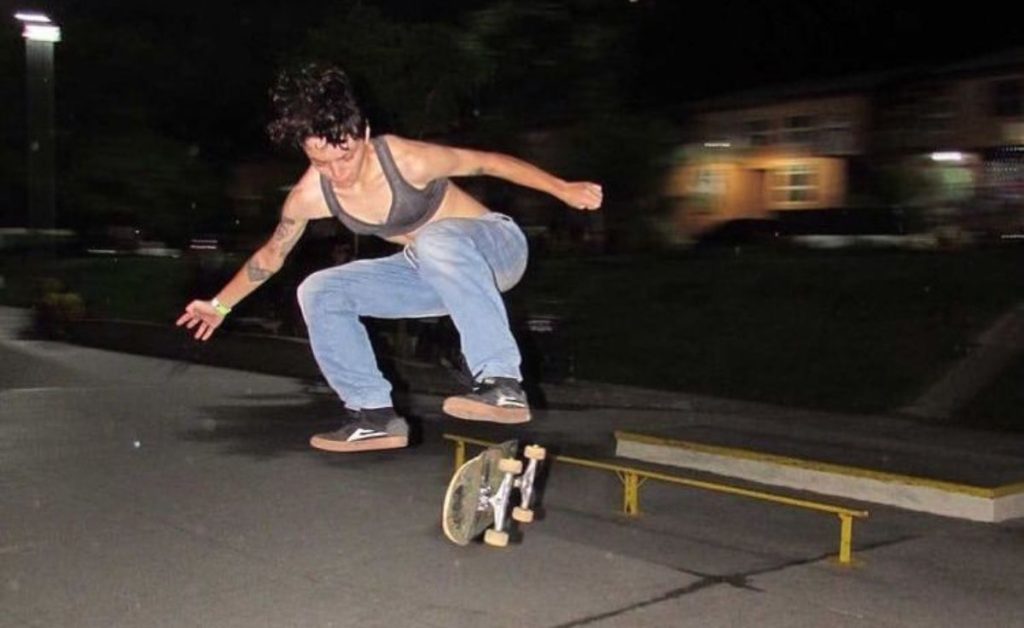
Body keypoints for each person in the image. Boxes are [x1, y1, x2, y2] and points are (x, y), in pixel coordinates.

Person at [176, 63, 603, 453]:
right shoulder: (309, 196)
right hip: (429, 272)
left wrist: (562, 189)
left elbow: (487, 163)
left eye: (345, 157)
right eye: (321, 162)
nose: (338, 173)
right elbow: (272, 255)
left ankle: (502, 383)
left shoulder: (405, 159)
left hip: (495, 249)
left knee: (435, 239)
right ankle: (373, 415)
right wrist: (219, 305)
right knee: (320, 290)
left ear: (363, 134)